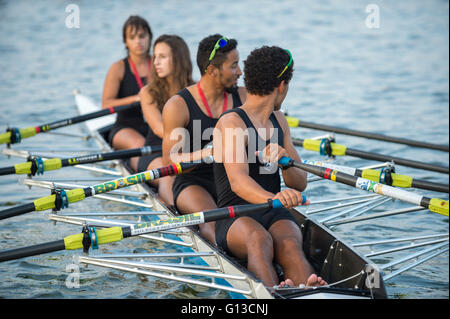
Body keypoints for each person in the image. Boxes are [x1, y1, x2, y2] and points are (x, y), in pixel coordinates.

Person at [212, 46, 327, 288]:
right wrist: (276, 197)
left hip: (272, 209)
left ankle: (308, 289)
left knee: (290, 242)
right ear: (282, 85)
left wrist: (286, 162)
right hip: (234, 213)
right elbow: (238, 182)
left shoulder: (279, 121)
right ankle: (272, 295)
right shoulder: (232, 122)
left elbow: (300, 183)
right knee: (259, 239)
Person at [162, 34, 246, 244]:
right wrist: (208, 153)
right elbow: (169, 161)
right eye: (234, 66)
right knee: (214, 223)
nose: (240, 72)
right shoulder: (178, 105)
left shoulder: (243, 97)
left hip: (233, 180)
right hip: (194, 182)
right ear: (212, 70)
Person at [137, 35, 194, 206]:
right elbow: (158, 128)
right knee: (168, 176)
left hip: (189, 151)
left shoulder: (195, 89)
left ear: (178, 59)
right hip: (157, 152)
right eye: (155, 57)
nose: (155, 62)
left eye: (162, 57)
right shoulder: (148, 92)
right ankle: (173, 214)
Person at [101, 15, 153, 171]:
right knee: (142, 147)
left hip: (153, 126)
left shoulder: (159, 64)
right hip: (125, 127)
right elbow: (106, 104)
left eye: (142, 36)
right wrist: (137, 98)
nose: (138, 41)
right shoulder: (118, 68)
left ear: (150, 38)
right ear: (126, 42)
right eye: (132, 37)